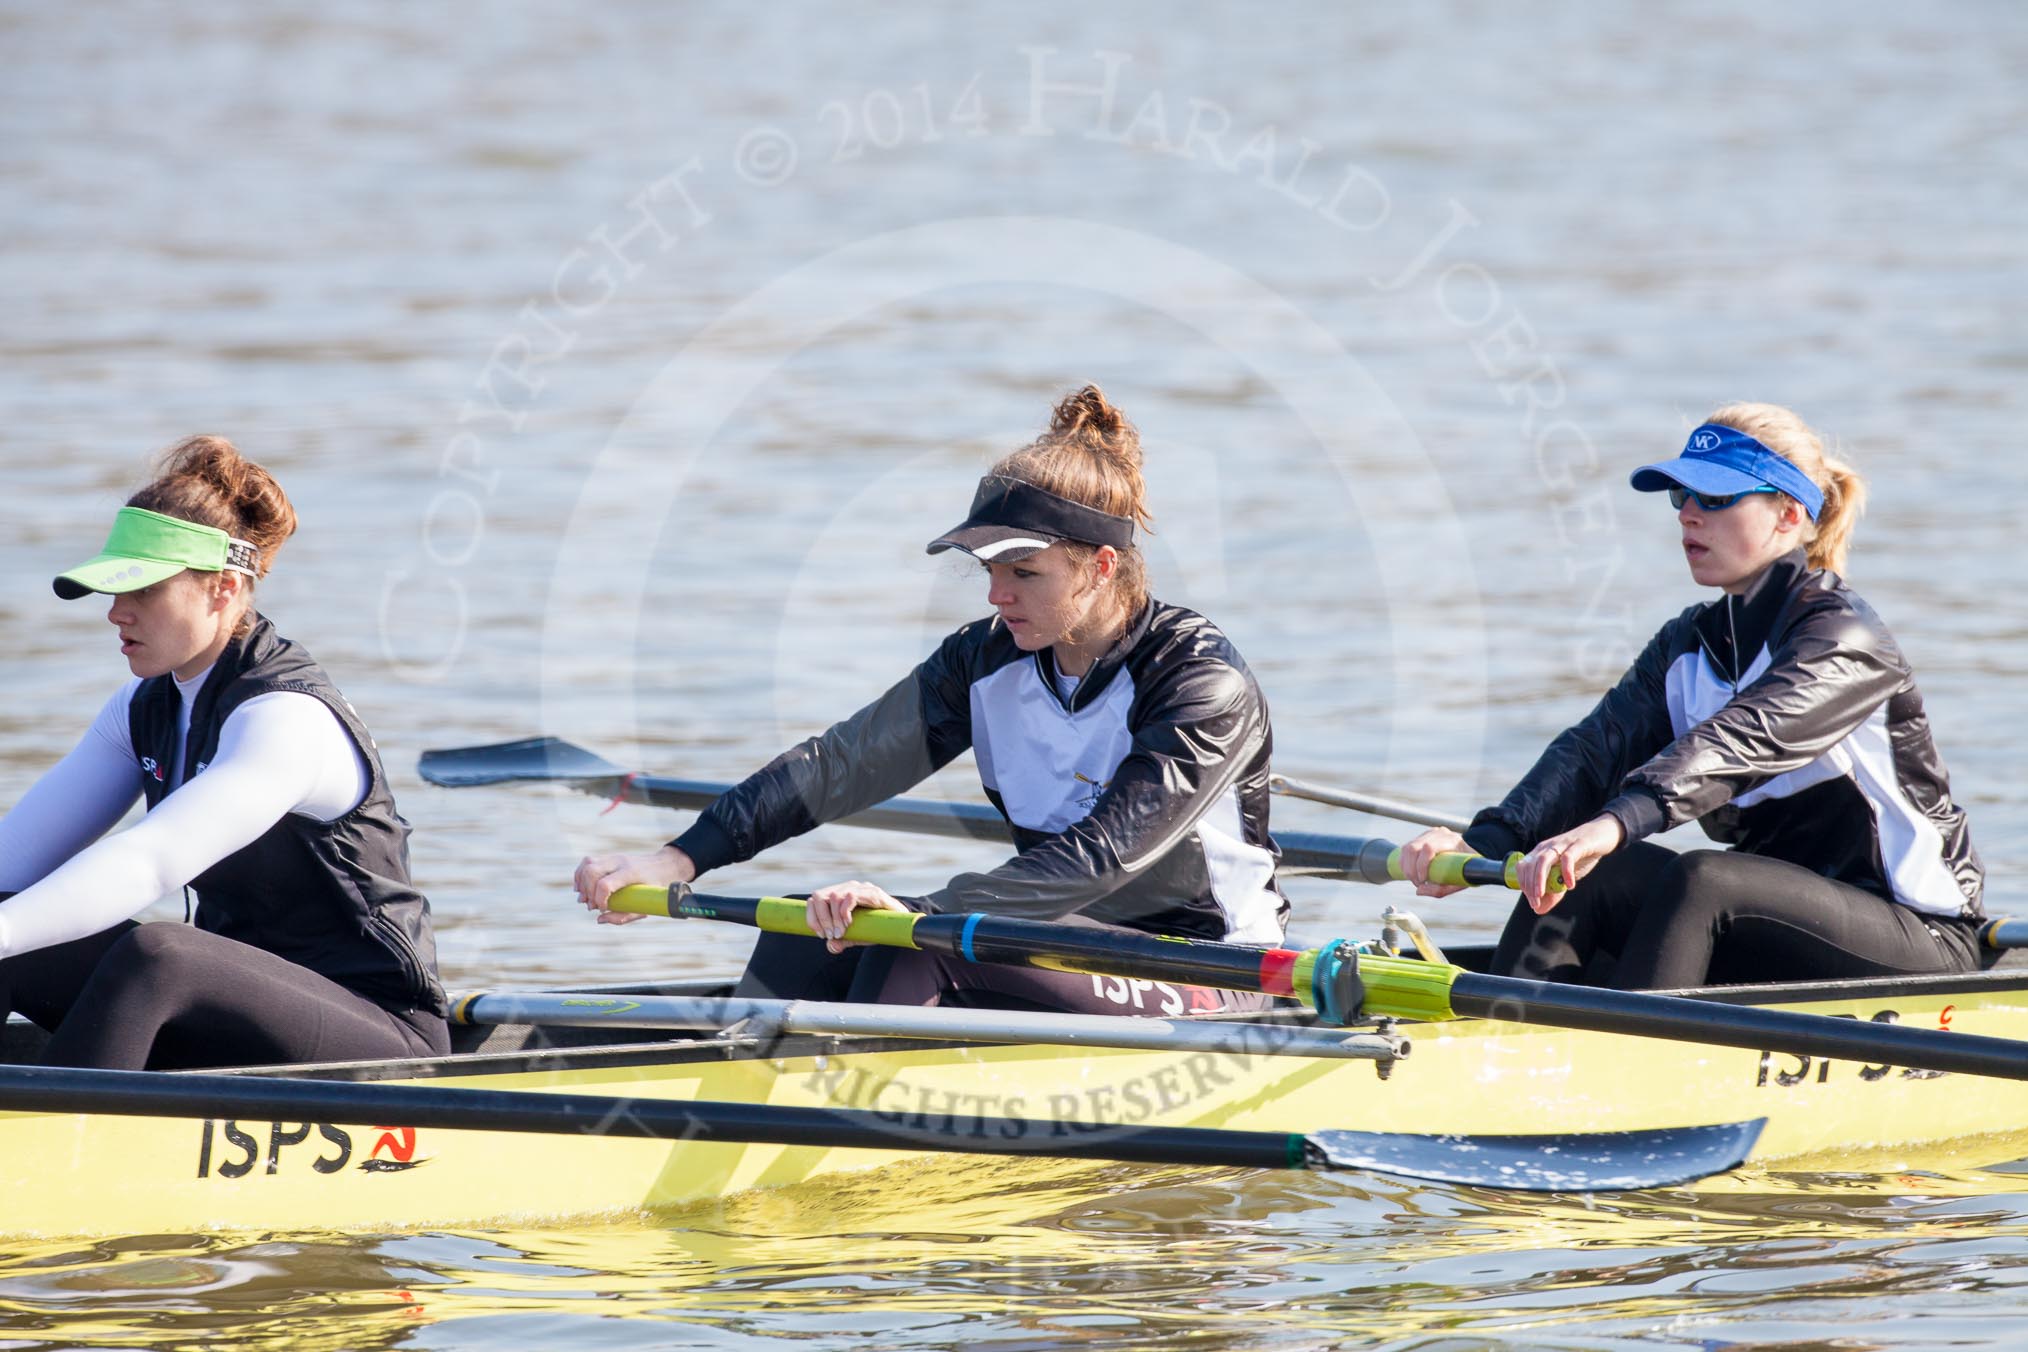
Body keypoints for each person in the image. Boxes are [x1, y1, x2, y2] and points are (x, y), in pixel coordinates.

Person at [575, 386, 1287, 1015]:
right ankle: (733, 1094)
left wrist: (924, 913)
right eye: (988, 570)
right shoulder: (983, 661)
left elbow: (1099, 859)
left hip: (1213, 969)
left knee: (918, 944)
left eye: (1024, 572)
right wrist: (678, 860)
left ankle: (833, 1125)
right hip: (1058, 943)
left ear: (1101, 566)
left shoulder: (1198, 683)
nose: (996, 594)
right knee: (808, 925)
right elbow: (838, 765)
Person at [1400, 403, 1984, 990]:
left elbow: (1742, 739)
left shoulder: (1844, 639)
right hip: (1770, 925)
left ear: (1788, 514)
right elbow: (1592, 754)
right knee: (1596, 875)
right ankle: (1500, 1040)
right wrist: (1484, 841)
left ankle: (1632, 1056)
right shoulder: (1689, 644)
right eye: (1681, 497)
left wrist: (1614, 823)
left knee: (1704, 877)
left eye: (1715, 498)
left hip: (1916, 932)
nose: (1687, 516)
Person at [0, 436, 449, 1069]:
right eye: (112, 591)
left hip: (378, 1031)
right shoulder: (139, 708)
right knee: (15, 916)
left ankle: (49, 1149)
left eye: (144, 590)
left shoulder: (286, 719)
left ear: (224, 589)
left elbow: (149, 864)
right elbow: (12, 860)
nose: (116, 614)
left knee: (159, 954)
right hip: (229, 1018)